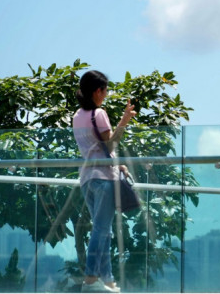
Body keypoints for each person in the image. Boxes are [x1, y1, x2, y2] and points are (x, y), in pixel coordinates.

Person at [73, 70, 137, 293]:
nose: (106, 94)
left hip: (87, 179)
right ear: (97, 91)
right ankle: (90, 279)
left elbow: (93, 150)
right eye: (105, 90)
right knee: (101, 230)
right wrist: (124, 121)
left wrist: (114, 163)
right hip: (103, 180)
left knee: (104, 230)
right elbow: (109, 145)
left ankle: (107, 280)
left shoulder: (77, 116)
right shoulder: (99, 114)